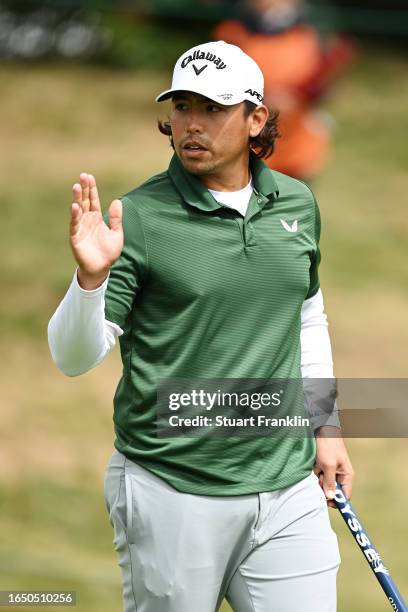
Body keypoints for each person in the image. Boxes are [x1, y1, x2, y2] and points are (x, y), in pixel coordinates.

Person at [48, 40, 354, 612]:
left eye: (213, 108)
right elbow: (72, 357)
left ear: (255, 117)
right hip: (172, 489)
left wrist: (326, 426)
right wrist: (89, 281)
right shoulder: (136, 218)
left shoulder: (296, 202)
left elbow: (306, 315)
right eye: (183, 106)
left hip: (286, 485)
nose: (193, 124)